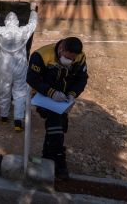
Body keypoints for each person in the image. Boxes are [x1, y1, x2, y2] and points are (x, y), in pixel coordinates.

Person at [26, 37, 88, 179]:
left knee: (59, 125)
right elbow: (31, 78)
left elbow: (82, 78)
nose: (70, 61)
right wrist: (51, 92)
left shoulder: (80, 57)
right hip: (43, 96)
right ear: (61, 49)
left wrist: (73, 94)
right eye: (67, 57)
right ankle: (59, 161)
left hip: (63, 99)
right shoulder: (41, 55)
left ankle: (47, 157)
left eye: (72, 59)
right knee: (55, 126)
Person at [0, 2, 37, 131]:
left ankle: (4, 116)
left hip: (5, 67)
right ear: (16, 21)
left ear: (6, 21)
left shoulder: (1, 31)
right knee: (20, 92)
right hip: (20, 66)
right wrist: (33, 11)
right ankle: (18, 120)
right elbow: (32, 24)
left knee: (4, 90)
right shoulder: (22, 31)